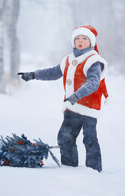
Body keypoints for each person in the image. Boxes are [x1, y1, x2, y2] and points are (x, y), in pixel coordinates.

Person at [17, 25, 108, 172]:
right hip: (71, 106)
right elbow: (53, 72)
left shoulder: (93, 61)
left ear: (91, 42)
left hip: (88, 108)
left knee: (89, 139)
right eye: (77, 38)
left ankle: (94, 169)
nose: (80, 41)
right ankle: (69, 166)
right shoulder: (68, 60)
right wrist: (33, 74)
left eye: (84, 38)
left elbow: (93, 83)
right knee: (65, 137)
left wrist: (77, 95)